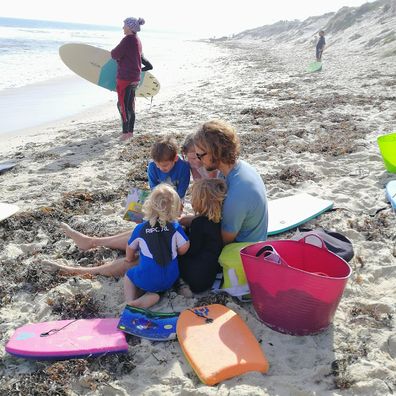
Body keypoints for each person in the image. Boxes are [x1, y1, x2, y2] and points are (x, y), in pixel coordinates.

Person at [190, 119, 268, 244]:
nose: (199, 160)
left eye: (201, 155)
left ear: (215, 151)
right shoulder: (237, 168)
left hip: (245, 252)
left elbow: (224, 239)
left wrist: (193, 224)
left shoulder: (238, 192)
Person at [123, 183, 189, 308]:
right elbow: (183, 249)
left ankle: (129, 301)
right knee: (159, 280)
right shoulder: (175, 227)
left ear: (149, 206)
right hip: (171, 279)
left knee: (129, 275)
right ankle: (152, 295)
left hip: (148, 278)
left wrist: (129, 259)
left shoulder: (140, 229)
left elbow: (130, 247)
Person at [178, 178, 226, 296]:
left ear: (200, 202)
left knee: (177, 258)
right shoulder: (219, 221)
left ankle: (180, 284)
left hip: (197, 278)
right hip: (211, 273)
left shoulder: (199, 223)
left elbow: (192, 250)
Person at [111, 17, 152, 141]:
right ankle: (130, 132)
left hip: (125, 78)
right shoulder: (137, 40)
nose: (123, 27)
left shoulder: (127, 40)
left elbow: (114, 54)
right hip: (135, 78)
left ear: (129, 27)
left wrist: (119, 58)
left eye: (124, 25)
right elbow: (141, 58)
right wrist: (140, 69)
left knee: (122, 105)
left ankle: (125, 133)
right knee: (130, 105)